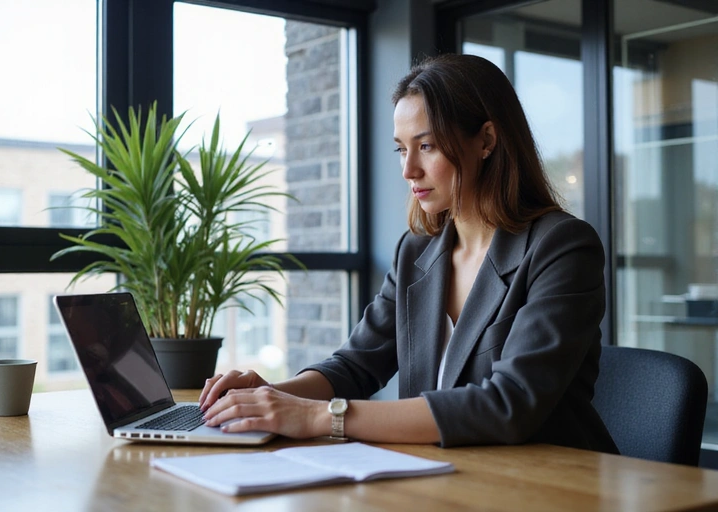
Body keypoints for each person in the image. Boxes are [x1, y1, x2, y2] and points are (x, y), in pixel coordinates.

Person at [199, 54, 618, 453]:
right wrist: (267, 395)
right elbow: (354, 367)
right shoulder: (416, 251)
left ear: (486, 140)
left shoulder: (562, 247)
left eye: (428, 146)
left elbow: (509, 404)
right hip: (440, 477)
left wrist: (322, 417)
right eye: (401, 148)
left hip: (549, 486)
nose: (408, 170)